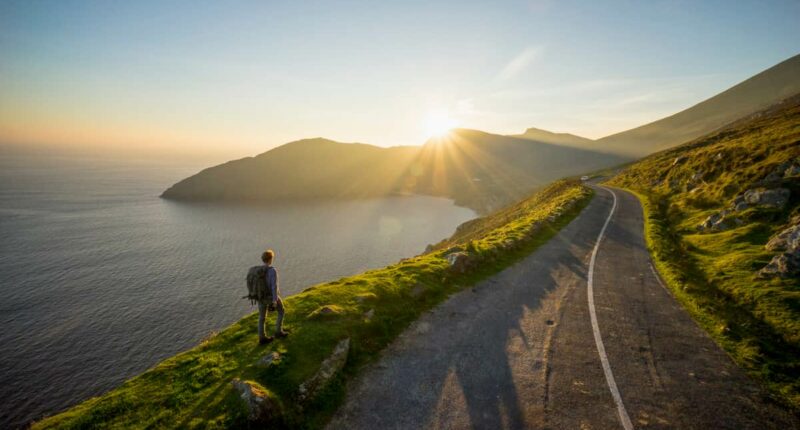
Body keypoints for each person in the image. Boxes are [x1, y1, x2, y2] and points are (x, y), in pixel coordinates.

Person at [258, 249, 289, 344]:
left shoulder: (258, 270)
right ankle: (278, 332)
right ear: (270, 259)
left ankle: (262, 338)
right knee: (281, 311)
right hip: (270, 297)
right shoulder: (272, 271)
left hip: (260, 297)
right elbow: (274, 286)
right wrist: (275, 300)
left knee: (262, 318)